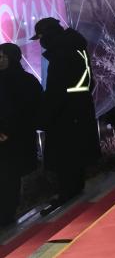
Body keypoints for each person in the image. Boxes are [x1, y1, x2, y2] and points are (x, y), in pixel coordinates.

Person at [30, 17, 100, 214]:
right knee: (76, 153)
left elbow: (56, 89)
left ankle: (67, 191)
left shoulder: (61, 52)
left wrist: (43, 118)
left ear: (47, 34)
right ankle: (74, 187)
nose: (40, 42)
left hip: (65, 114)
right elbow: (89, 80)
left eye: (40, 37)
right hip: (80, 107)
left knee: (65, 155)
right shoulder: (75, 46)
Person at [0, 43, 42, 226]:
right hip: (9, 137)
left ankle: (7, 215)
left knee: (9, 178)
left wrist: (9, 130)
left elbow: (30, 110)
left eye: (2, 57)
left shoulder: (25, 81)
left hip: (15, 139)